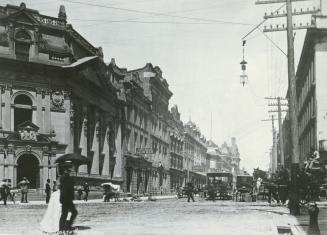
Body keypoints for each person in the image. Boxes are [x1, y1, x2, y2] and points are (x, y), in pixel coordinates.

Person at [59, 161, 78, 232]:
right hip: (66, 199)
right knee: (71, 213)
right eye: (68, 169)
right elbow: (65, 189)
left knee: (65, 213)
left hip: (66, 199)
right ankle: (65, 227)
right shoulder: (64, 178)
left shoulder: (66, 178)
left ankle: (63, 228)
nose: (70, 170)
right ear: (65, 170)